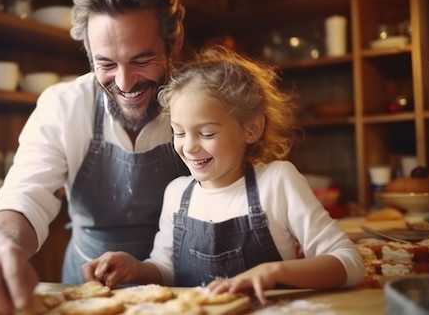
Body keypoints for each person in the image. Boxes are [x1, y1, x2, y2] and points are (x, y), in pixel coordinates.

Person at [0, 0, 190, 313]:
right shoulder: (64, 105)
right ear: (88, 53)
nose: (126, 83)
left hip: (182, 294)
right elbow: (23, 196)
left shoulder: (202, 103)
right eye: (107, 64)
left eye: (142, 60)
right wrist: (1, 250)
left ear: (173, 45)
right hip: (87, 293)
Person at [82, 45, 365, 305]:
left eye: (206, 133)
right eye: (178, 132)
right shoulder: (177, 194)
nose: (189, 146)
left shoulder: (277, 182)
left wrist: (274, 273)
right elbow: (166, 271)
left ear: (251, 129)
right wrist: (135, 267)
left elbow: (350, 263)